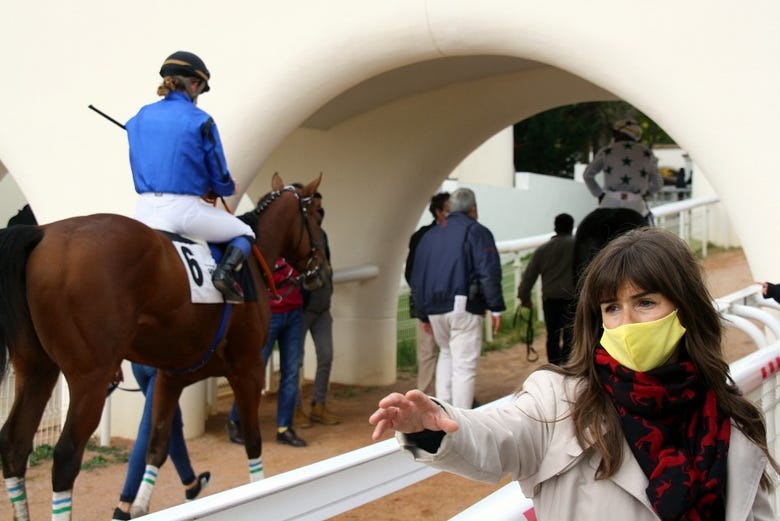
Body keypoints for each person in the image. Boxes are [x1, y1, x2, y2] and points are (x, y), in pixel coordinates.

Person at [370, 227, 778, 520]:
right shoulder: (559, 399)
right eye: (612, 308)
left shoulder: (731, 417)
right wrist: (432, 427)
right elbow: (499, 435)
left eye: (646, 302)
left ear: (684, 307)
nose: (627, 323)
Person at [126, 50, 254, 304]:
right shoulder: (200, 119)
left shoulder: (138, 118)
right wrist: (223, 186)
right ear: (195, 84)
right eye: (201, 89)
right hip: (182, 212)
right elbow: (219, 176)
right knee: (245, 232)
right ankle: (224, 276)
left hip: (142, 211)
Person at [409, 187, 505, 409]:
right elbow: (488, 270)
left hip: (433, 308)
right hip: (462, 305)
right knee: (464, 366)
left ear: (451, 208)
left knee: (446, 354)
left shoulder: (429, 235)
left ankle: (443, 413)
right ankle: (461, 421)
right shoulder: (475, 231)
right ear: (474, 209)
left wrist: (422, 313)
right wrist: (496, 307)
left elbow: (417, 276)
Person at [112, 363, 210, 521]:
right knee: (151, 426)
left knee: (170, 418)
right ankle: (124, 509)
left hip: (137, 366)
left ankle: (191, 484)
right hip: (159, 366)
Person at [227, 258, 307, 447]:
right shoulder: (264, 243)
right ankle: (235, 420)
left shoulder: (292, 242)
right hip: (267, 314)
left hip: (294, 311)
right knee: (254, 370)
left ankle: (284, 428)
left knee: (292, 371)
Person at [294, 192, 339, 427]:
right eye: (315, 207)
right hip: (302, 309)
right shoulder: (299, 235)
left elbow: (327, 266)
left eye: (321, 207)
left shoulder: (322, 234)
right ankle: (295, 409)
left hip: (323, 307)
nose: (319, 212)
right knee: (296, 362)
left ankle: (318, 404)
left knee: (326, 356)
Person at [404, 192, 450, 395]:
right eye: (449, 210)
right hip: (429, 305)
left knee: (444, 352)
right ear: (438, 212)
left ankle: (448, 394)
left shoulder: (425, 235)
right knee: (428, 352)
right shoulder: (422, 237)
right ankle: (424, 396)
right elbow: (412, 272)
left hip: (442, 304)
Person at [516, 213, 575, 366]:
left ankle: (554, 367)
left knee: (553, 336)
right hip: (572, 299)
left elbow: (529, 276)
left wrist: (524, 297)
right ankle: (568, 366)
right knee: (571, 335)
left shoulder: (543, 250)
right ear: (571, 227)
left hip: (551, 300)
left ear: (555, 227)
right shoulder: (577, 246)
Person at [583, 118, 663, 224]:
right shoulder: (647, 153)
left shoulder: (607, 150)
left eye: (615, 133)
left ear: (620, 133)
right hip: (637, 205)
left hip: (609, 202)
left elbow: (587, 175)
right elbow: (658, 184)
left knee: (590, 229)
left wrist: (599, 194)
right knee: (649, 233)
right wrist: (646, 193)